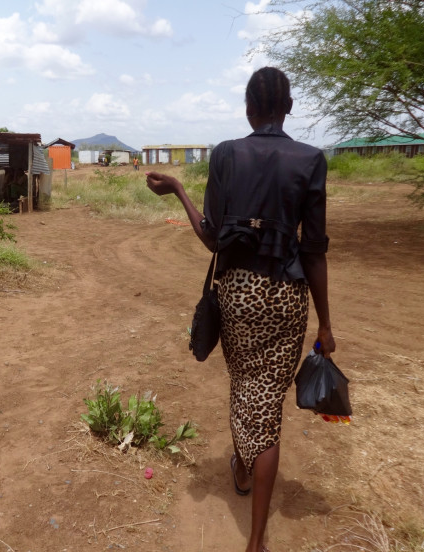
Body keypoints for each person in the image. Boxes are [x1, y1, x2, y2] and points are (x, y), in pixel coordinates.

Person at [145, 67, 335, 552]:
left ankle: (245, 470)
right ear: (287, 107)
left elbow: (212, 237)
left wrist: (180, 192)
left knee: (244, 389)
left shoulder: (227, 154)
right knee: (266, 403)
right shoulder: (311, 159)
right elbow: (313, 249)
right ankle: (255, 538)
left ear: (248, 108)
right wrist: (327, 324)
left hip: (237, 294)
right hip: (286, 297)